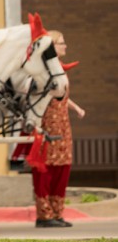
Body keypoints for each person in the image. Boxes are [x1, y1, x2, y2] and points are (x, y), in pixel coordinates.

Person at [34, 29, 85, 228]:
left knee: (62, 169)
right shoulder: (42, 71)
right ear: (51, 47)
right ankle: (44, 215)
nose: (65, 46)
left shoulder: (59, 70)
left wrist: (76, 108)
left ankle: (57, 212)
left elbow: (62, 95)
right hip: (47, 124)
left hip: (63, 124)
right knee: (45, 169)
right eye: (61, 43)